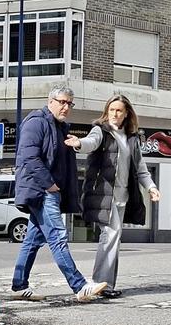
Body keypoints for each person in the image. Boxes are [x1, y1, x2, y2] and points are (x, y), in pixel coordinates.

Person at [11, 86, 109, 302]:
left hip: (49, 190)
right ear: (50, 101)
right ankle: (80, 286)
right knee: (57, 236)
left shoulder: (60, 127)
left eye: (69, 103)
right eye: (62, 102)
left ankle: (19, 285)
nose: (66, 107)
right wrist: (50, 185)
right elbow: (29, 157)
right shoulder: (36, 121)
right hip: (40, 190)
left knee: (33, 241)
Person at [64, 94, 160, 298]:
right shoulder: (101, 130)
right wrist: (79, 143)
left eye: (119, 110)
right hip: (102, 194)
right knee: (111, 235)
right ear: (107, 112)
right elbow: (92, 141)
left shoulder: (132, 138)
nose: (115, 114)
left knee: (114, 239)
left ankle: (106, 284)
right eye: (112, 110)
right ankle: (101, 284)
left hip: (122, 197)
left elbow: (141, 169)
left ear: (126, 114)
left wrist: (151, 187)